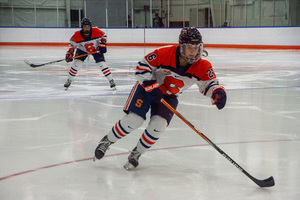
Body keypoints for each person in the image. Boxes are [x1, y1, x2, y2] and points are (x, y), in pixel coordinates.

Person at [93, 27, 227, 170]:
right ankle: (107, 141)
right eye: (189, 48)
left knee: (159, 125)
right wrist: (151, 85)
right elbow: (142, 68)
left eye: (196, 47)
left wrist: (217, 93)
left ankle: (137, 153)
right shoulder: (164, 53)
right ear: (181, 47)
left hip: (169, 96)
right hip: (147, 89)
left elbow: (210, 84)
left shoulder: (203, 66)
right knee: (134, 120)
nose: (193, 52)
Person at [64, 17, 116, 90]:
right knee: (75, 65)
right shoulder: (77, 35)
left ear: (90, 26)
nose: (87, 28)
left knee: (102, 65)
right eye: (85, 27)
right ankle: (69, 80)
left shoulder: (96, 31)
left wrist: (102, 45)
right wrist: (70, 53)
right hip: (83, 49)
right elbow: (72, 44)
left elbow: (104, 36)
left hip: (96, 49)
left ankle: (111, 81)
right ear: (82, 27)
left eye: (88, 27)